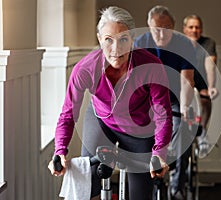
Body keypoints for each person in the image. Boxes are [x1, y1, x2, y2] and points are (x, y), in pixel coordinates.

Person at [47, 6, 173, 200]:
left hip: (139, 129)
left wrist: (159, 152)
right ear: (99, 39)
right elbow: (67, 114)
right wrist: (60, 151)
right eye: (108, 40)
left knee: (141, 193)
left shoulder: (152, 66)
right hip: (100, 121)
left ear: (132, 40)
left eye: (123, 39)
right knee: (88, 184)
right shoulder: (85, 69)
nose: (116, 49)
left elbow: (163, 114)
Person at [135, 5, 198, 200]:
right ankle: (152, 183)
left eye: (167, 28)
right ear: (149, 26)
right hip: (147, 102)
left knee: (184, 133)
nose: (162, 34)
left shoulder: (184, 44)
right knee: (142, 135)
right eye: (156, 29)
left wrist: (186, 106)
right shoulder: (140, 43)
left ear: (174, 26)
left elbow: (187, 80)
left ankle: (177, 185)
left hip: (175, 101)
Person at [183, 15, 218, 142]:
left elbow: (210, 66)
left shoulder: (208, 43)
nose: (194, 30)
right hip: (182, 81)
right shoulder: (177, 43)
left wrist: (211, 86)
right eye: (191, 27)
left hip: (201, 81)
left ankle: (202, 132)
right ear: (184, 29)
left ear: (201, 29)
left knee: (205, 99)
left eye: (197, 27)